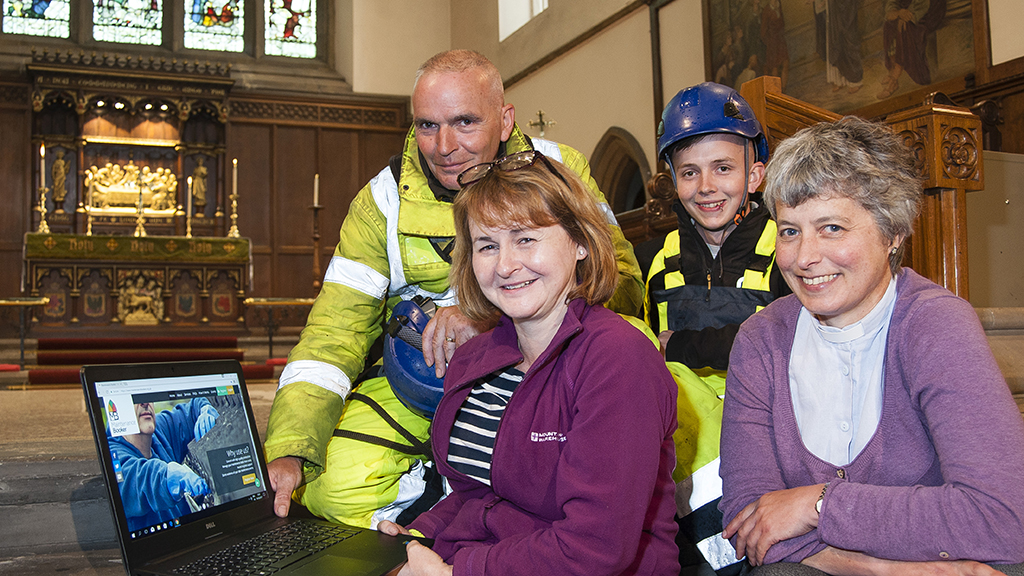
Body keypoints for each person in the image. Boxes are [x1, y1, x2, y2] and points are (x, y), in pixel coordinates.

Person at [264, 49, 644, 529]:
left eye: (464, 122)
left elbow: (625, 288)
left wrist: (488, 314)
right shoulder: (380, 201)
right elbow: (333, 330)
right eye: (426, 125)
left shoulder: (560, 169)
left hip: (544, 370)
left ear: (504, 121)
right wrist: (293, 444)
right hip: (417, 384)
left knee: (586, 461)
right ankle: (438, 518)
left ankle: (481, 520)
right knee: (329, 487)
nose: (443, 146)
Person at [720, 116, 1024, 575]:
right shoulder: (760, 339)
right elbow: (748, 520)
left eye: (832, 228)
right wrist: (888, 569)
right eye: (789, 230)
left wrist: (817, 504)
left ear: (893, 232)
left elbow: (1002, 517)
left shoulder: (935, 325)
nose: (803, 258)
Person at [379, 150, 679, 576]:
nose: (505, 265)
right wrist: (418, 535)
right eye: (487, 245)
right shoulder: (476, 357)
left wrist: (456, 573)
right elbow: (476, 495)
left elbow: (595, 549)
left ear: (579, 241)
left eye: (525, 238)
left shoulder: (618, 358)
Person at [634, 82, 790, 574]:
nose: (706, 187)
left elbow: (787, 345)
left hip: (767, 428)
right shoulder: (660, 261)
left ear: (755, 174)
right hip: (677, 442)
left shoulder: (787, 248)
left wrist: (681, 344)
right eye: (689, 172)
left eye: (723, 168)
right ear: (672, 181)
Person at [107, 398, 220, 532]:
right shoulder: (112, 455)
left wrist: (204, 409)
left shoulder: (158, 432)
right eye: (133, 399)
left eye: (146, 394)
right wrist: (167, 477)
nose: (144, 402)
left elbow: (194, 407)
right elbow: (137, 479)